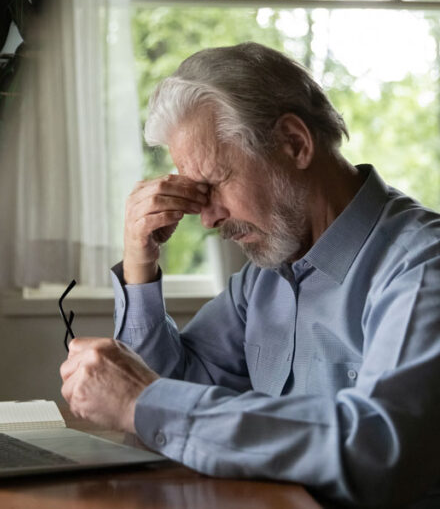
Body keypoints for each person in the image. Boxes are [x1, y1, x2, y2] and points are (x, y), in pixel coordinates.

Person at [59, 42, 440, 507]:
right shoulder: (264, 278)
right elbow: (170, 395)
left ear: (293, 143)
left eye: (216, 183)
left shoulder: (421, 268)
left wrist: (141, 401)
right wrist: (141, 265)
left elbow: (379, 451)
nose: (207, 218)